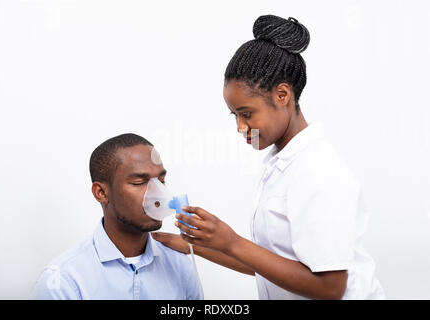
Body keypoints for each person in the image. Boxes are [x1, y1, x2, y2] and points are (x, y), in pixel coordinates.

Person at [152, 14, 385, 300]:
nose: (240, 127)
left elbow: (331, 287)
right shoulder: (281, 162)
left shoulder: (318, 172)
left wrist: (232, 241)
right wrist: (200, 245)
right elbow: (273, 264)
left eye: (246, 114)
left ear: (282, 95)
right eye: (234, 115)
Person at [32, 134, 203, 299]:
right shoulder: (63, 281)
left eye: (161, 181)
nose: (158, 195)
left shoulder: (180, 265)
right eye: (139, 182)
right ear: (101, 193)